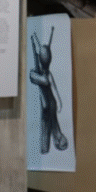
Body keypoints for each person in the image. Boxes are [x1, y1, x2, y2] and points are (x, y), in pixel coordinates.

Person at [29, 24, 68, 153]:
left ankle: (50, 144)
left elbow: (53, 87)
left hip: (49, 105)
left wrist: (59, 102)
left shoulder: (45, 75)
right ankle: (46, 147)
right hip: (47, 105)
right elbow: (44, 81)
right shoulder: (40, 75)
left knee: (50, 123)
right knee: (47, 125)